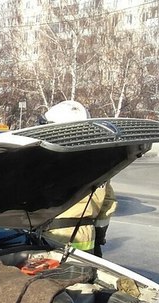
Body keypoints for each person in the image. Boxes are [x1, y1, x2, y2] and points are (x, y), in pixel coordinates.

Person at [41, 100, 116, 255]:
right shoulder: (99, 165)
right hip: (87, 238)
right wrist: (99, 235)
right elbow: (108, 203)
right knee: (82, 277)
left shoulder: (47, 163)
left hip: (52, 238)